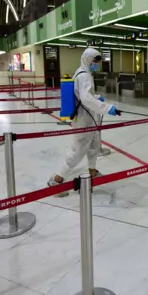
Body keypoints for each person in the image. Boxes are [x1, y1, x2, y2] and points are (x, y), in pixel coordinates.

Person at [48, 48, 118, 195]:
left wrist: (97, 97)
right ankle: (56, 179)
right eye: (95, 61)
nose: (96, 64)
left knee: (93, 146)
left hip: (89, 117)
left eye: (98, 62)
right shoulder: (84, 75)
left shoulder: (82, 72)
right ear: (88, 59)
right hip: (83, 119)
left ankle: (92, 171)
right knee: (77, 152)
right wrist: (106, 108)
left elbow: (83, 94)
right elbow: (85, 99)